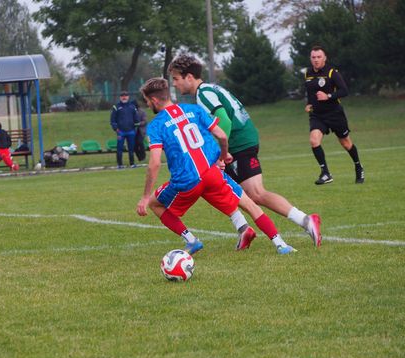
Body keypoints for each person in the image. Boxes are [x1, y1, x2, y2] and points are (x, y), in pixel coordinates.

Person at [168, 54, 322, 248]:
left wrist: (220, 153)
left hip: (239, 144)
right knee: (215, 185)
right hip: (241, 141)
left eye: (176, 79)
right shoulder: (209, 89)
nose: (174, 84)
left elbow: (224, 121)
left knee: (256, 193)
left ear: (189, 77)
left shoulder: (203, 94)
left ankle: (306, 220)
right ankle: (243, 229)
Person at [136, 77, 295, 255]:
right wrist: (224, 155)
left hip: (186, 181)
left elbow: (155, 163)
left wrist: (144, 196)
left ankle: (191, 240)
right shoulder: (194, 109)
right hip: (212, 173)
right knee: (249, 204)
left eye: (147, 101)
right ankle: (281, 245)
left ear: (155, 99)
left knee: (154, 204)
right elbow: (222, 136)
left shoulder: (156, 125)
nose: (148, 105)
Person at [305, 45, 364, 185]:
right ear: (310, 59)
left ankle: (358, 166)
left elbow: (344, 91)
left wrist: (328, 96)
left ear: (324, 58)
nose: (316, 60)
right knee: (314, 140)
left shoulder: (332, 72)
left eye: (319, 57)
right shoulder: (308, 73)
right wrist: (309, 103)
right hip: (317, 115)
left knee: (346, 143)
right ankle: (325, 173)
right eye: (313, 57)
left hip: (334, 114)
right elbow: (310, 92)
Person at [110, 90, 140, 168]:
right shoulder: (116, 107)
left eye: (125, 96)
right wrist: (116, 129)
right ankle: (120, 164)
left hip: (131, 131)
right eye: (122, 96)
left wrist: (136, 127)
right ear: (120, 97)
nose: (124, 97)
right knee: (119, 148)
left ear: (128, 97)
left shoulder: (132, 106)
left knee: (131, 148)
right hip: (120, 132)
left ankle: (132, 164)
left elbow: (136, 118)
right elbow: (112, 120)